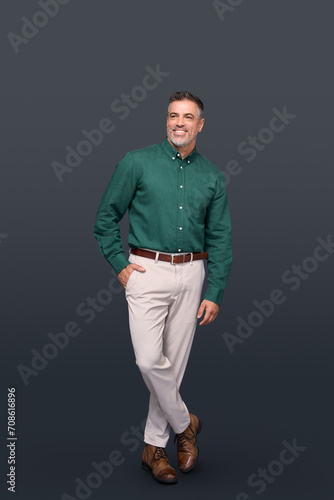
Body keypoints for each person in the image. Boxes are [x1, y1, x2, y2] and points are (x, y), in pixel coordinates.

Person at [94, 90, 232, 484]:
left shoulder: (212, 176)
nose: (179, 123)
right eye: (173, 115)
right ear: (166, 120)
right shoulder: (135, 162)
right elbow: (105, 218)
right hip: (145, 272)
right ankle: (185, 423)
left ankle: (154, 450)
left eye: (188, 117)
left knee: (173, 366)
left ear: (200, 125)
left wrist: (214, 291)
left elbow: (221, 239)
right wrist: (120, 265)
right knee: (150, 362)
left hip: (193, 275)